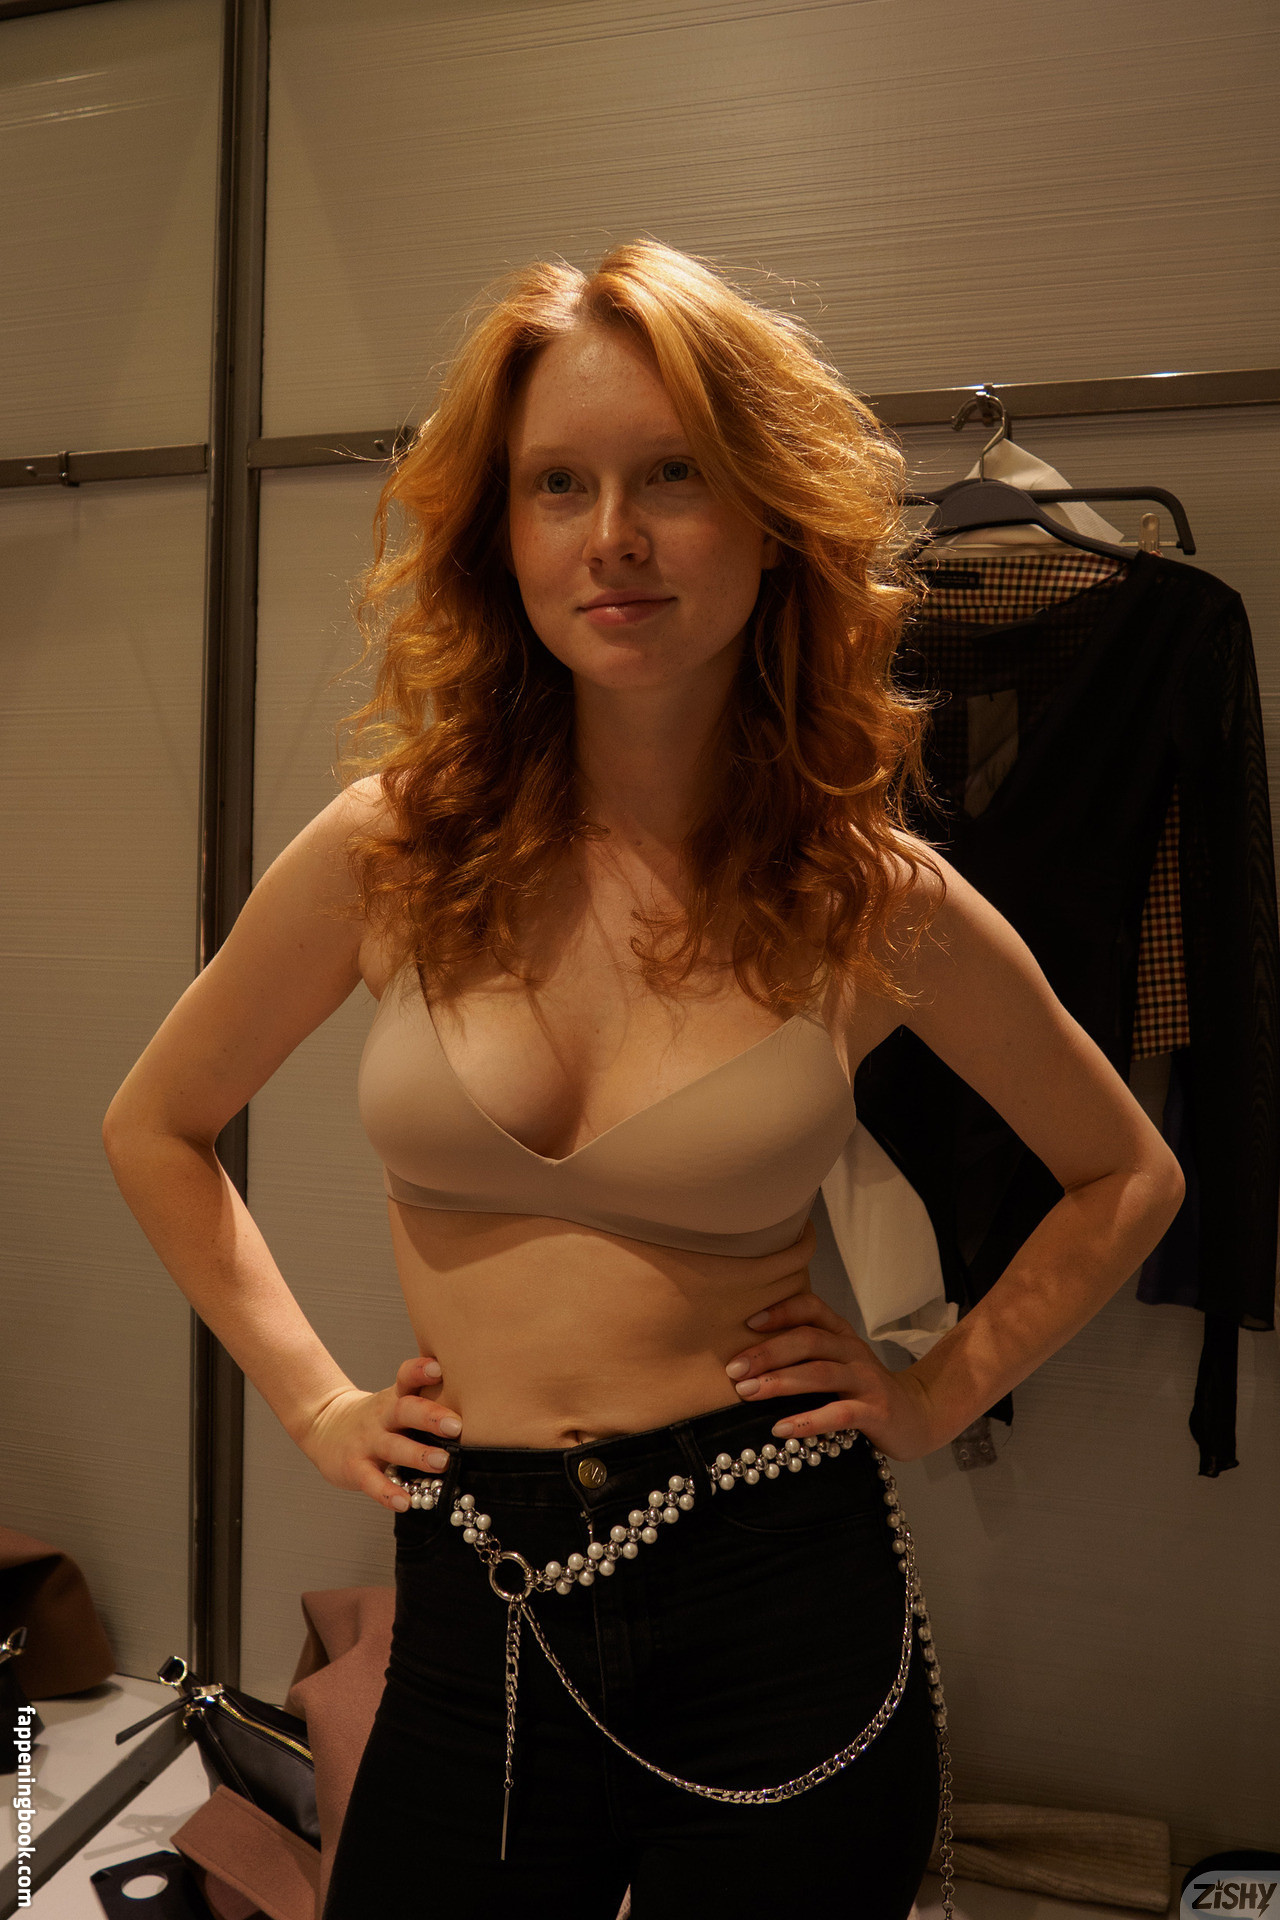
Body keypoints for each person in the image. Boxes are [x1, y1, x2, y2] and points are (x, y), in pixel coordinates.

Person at [102, 240, 1184, 1920]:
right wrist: (314, 1401)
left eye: (672, 474)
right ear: (504, 534)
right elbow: (157, 1127)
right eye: (560, 484)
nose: (612, 534)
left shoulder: (865, 893)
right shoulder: (396, 848)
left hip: (782, 1591)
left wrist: (935, 1391)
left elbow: (1129, 1177)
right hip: (476, 1592)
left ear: (768, 518)